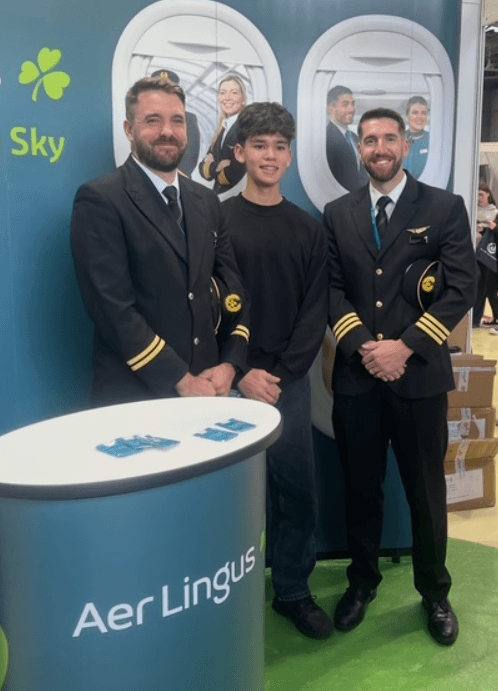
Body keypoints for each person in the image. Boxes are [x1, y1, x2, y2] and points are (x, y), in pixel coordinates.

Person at [323, 108, 476, 646]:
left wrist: (404, 347)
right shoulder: (337, 212)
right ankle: (362, 583)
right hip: (359, 377)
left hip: (419, 378)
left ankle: (434, 592)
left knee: (426, 493)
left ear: (406, 145)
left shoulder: (444, 207)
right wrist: (367, 348)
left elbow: (461, 288)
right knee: (360, 488)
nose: (380, 148)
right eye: (370, 140)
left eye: (390, 138)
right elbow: (331, 289)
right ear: (359, 149)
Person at [222, 102, 331, 639]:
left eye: (279, 146)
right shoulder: (214, 220)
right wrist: (240, 372)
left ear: (290, 156)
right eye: (260, 145)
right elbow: (204, 305)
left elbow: (314, 315)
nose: (270, 155)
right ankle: (221, 594)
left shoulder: (308, 230)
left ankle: (291, 590)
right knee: (228, 496)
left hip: (286, 384)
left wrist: (280, 377)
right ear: (240, 152)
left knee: (296, 492)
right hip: (225, 382)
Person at [71, 76, 249, 406]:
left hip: (208, 386)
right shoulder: (101, 199)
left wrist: (230, 364)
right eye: (153, 120)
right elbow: (113, 310)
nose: (168, 131)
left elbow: (233, 289)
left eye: (177, 121)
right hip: (137, 395)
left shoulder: (206, 201)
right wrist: (181, 380)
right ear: (129, 129)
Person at [199, 74, 247, 194]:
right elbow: (202, 167)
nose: (227, 98)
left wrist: (211, 166)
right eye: (223, 93)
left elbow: (236, 172)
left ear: (243, 99)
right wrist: (217, 167)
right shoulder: (222, 128)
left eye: (234, 93)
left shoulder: (246, 128)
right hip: (219, 196)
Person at [151, 69, 201, 177]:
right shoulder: (146, 118)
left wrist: (175, 174)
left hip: (178, 177)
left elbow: (191, 152)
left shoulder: (189, 119)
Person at [325, 85, 368, 192]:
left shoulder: (355, 137)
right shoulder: (325, 137)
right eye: (345, 105)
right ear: (331, 109)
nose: (352, 109)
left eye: (353, 104)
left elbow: (360, 173)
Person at [473, 182, 498, 330]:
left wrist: (493, 228)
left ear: (488, 194)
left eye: (481, 194)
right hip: (475, 250)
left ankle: (478, 318)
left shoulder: (494, 212)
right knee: (485, 287)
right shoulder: (473, 208)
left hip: (487, 255)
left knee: (486, 287)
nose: (478, 198)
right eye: (477, 195)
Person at [404, 96, 430, 179]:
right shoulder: (398, 139)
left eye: (424, 113)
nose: (420, 117)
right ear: (407, 117)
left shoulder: (433, 140)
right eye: (415, 112)